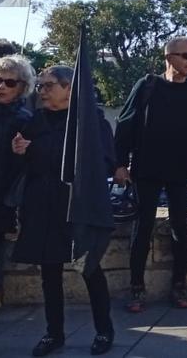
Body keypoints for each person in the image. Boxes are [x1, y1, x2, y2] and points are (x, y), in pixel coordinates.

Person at [12, 66, 115, 356]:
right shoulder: (36, 120)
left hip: (77, 208)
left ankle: (104, 331)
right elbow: (27, 163)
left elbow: (105, 161)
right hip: (42, 207)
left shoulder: (91, 120)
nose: (42, 91)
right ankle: (53, 333)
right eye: (41, 86)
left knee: (90, 270)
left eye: (48, 86)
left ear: (69, 88)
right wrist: (20, 150)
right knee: (50, 274)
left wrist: (47, 153)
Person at [114, 37, 187, 312]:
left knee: (180, 228)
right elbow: (124, 125)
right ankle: (136, 287)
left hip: (181, 171)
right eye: (185, 56)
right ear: (169, 58)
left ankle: (179, 284)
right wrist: (120, 164)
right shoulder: (147, 85)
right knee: (142, 228)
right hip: (146, 170)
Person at [0, 54, 33, 311]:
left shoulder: (25, 120)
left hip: (1, 196)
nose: (1, 87)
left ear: (22, 88)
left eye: (9, 83)